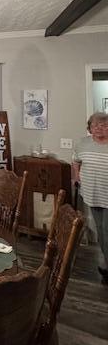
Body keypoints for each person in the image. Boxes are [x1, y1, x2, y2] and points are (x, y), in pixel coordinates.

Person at [73, 112, 108, 285]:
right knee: (100, 230)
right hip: (93, 194)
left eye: (104, 126)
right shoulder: (83, 143)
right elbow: (75, 160)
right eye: (95, 126)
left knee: (106, 232)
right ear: (89, 128)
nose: (99, 129)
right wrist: (77, 177)